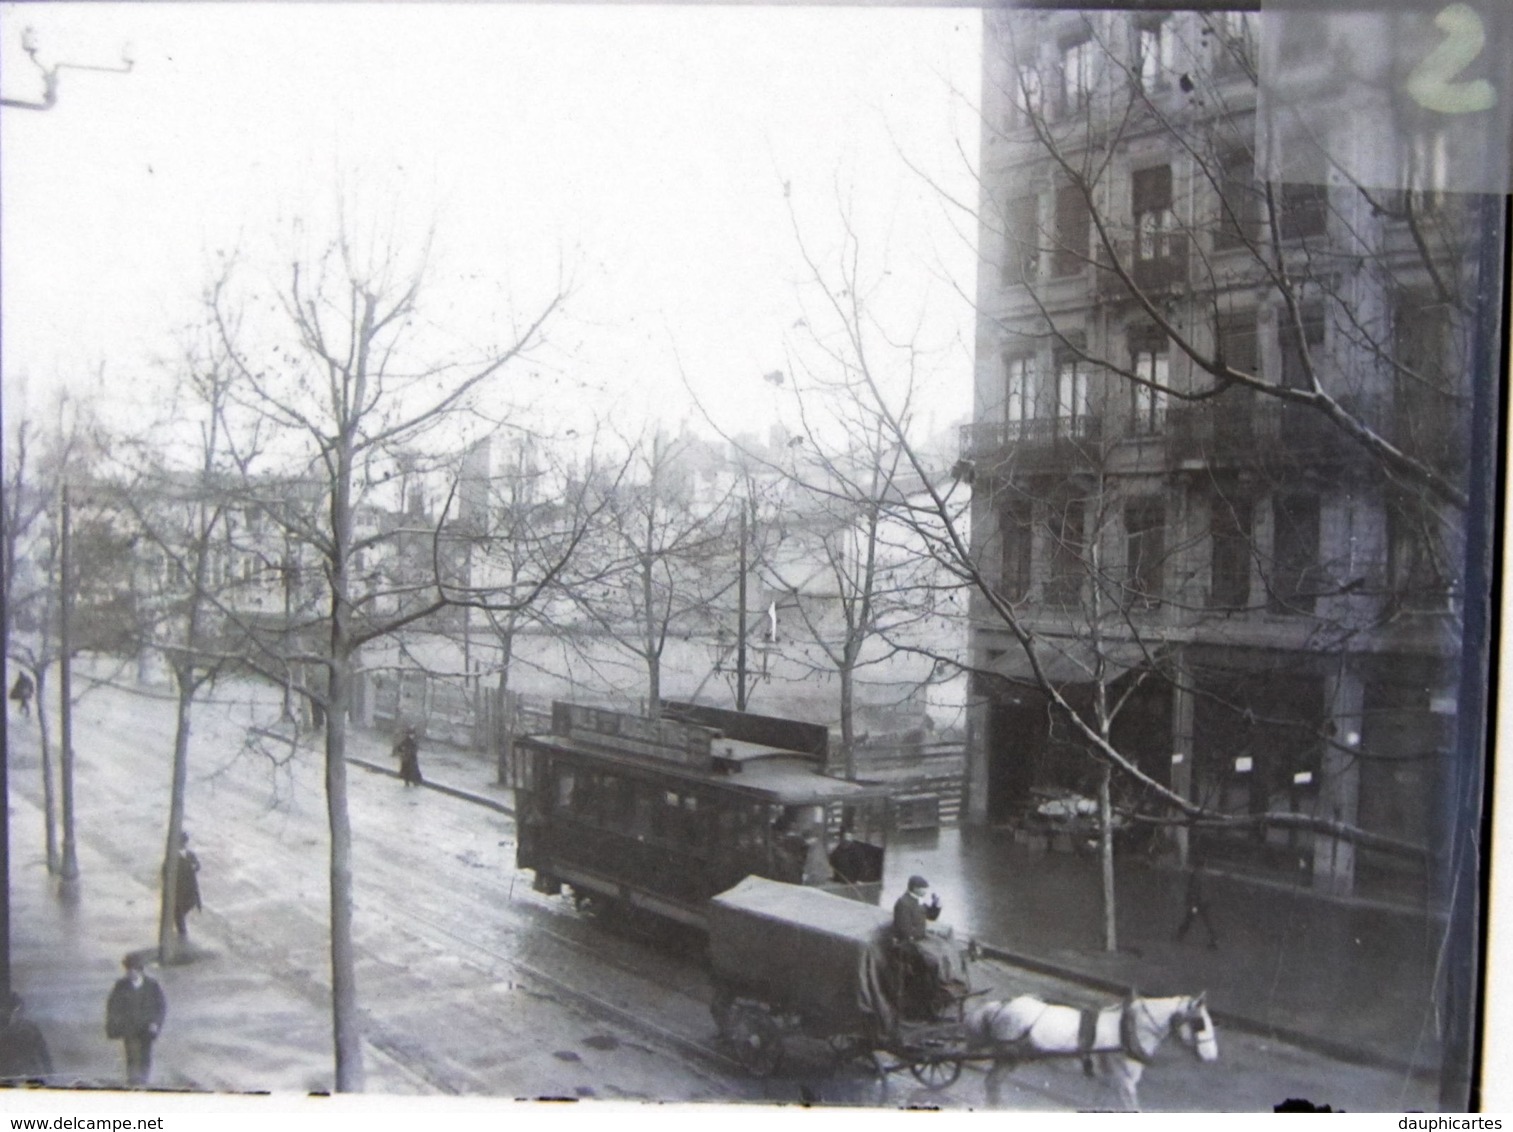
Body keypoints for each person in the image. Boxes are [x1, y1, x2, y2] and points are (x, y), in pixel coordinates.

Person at [892, 876, 968, 1008]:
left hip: (919, 940)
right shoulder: (903, 903)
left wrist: (936, 906)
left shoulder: (916, 901)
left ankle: (942, 986)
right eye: (923, 889)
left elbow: (931, 916)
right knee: (932, 962)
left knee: (944, 951)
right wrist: (920, 937)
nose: (925, 891)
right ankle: (929, 997)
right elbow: (904, 931)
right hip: (907, 944)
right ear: (914, 888)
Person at [105, 954, 167, 1087]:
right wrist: (114, 1023)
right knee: (131, 1055)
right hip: (129, 1027)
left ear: (140, 971)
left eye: (133, 970)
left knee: (145, 1055)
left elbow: (160, 1006)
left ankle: (143, 1080)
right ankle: (133, 1081)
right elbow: (113, 1005)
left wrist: (155, 1023)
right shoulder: (121, 985)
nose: (130, 973)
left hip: (147, 1028)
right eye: (128, 970)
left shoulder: (152, 985)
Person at [0, 991, 52, 1084]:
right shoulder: (4, 1031)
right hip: (5, 1082)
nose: (15, 1014)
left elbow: (44, 1055)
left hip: (31, 1079)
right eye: (11, 1010)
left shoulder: (31, 1029)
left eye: (19, 1010)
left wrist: (50, 1075)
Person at [1175, 854, 1220, 950]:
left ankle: (1180, 935)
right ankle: (1214, 938)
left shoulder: (1196, 874)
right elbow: (1210, 889)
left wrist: (1191, 901)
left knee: (1189, 918)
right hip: (1205, 902)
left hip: (1197, 903)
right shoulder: (1207, 874)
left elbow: (1193, 889)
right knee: (1207, 921)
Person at [166, 831, 202, 938]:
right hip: (179, 890)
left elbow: (198, 866)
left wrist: (194, 867)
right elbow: (165, 872)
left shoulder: (190, 854)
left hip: (190, 890)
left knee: (180, 912)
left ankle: (180, 934)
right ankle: (182, 935)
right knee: (178, 914)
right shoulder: (172, 856)